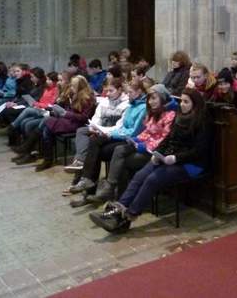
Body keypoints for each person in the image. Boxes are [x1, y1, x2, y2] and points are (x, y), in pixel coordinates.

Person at [88, 88, 212, 233]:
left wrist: (176, 158)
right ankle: (119, 208)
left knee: (152, 179)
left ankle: (128, 216)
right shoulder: (180, 116)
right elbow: (168, 139)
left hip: (191, 164)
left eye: (186, 102)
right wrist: (158, 153)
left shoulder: (202, 121)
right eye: (181, 101)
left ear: (195, 104)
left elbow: (199, 151)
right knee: (140, 175)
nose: (182, 105)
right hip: (170, 157)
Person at [68, 88, 174, 201]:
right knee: (96, 143)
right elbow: (145, 132)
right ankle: (91, 186)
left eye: (153, 98)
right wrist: (136, 139)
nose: (150, 102)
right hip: (137, 142)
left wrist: (139, 142)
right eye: (149, 99)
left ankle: (116, 195)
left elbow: (163, 138)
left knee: (120, 155)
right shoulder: (148, 110)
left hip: (152, 151)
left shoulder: (166, 114)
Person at [16, 75, 97, 171]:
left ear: (80, 87)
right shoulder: (74, 94)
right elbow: (67, 109)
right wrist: (58, 111)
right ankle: (40, 155)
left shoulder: (87, 98)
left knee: (47, 124)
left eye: (73, 86)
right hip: (69, 120)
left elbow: (84, 118)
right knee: (47, 125)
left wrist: (66, 113)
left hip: (77, 123)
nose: (71, 88)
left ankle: (33, 151)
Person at [64, 77, 129, 172]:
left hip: (113, 132)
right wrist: (94, 127)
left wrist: (102, 130)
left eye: (111, 91)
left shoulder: (126, 104)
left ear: (119, 90)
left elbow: (120, 126)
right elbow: (97, 117)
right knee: (81, 131)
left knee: (92, 142)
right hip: (101, 129)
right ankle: (79, 161)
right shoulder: (104, 101)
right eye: (106, 91)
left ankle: (83, 172)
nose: (107, 94)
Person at [6, 71, 59, 146]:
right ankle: (25, 144)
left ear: (55, 81)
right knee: (25, 122)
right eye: (47, 79)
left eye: (50, 80)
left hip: (47, 111)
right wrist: (37, 104)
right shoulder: (47, 88)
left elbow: (50, 105)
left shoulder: (55, 90)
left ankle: (13, 127)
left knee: (28, 110)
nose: (47, 81)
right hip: (40, 109)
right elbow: (41, 100)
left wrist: (37, 104)